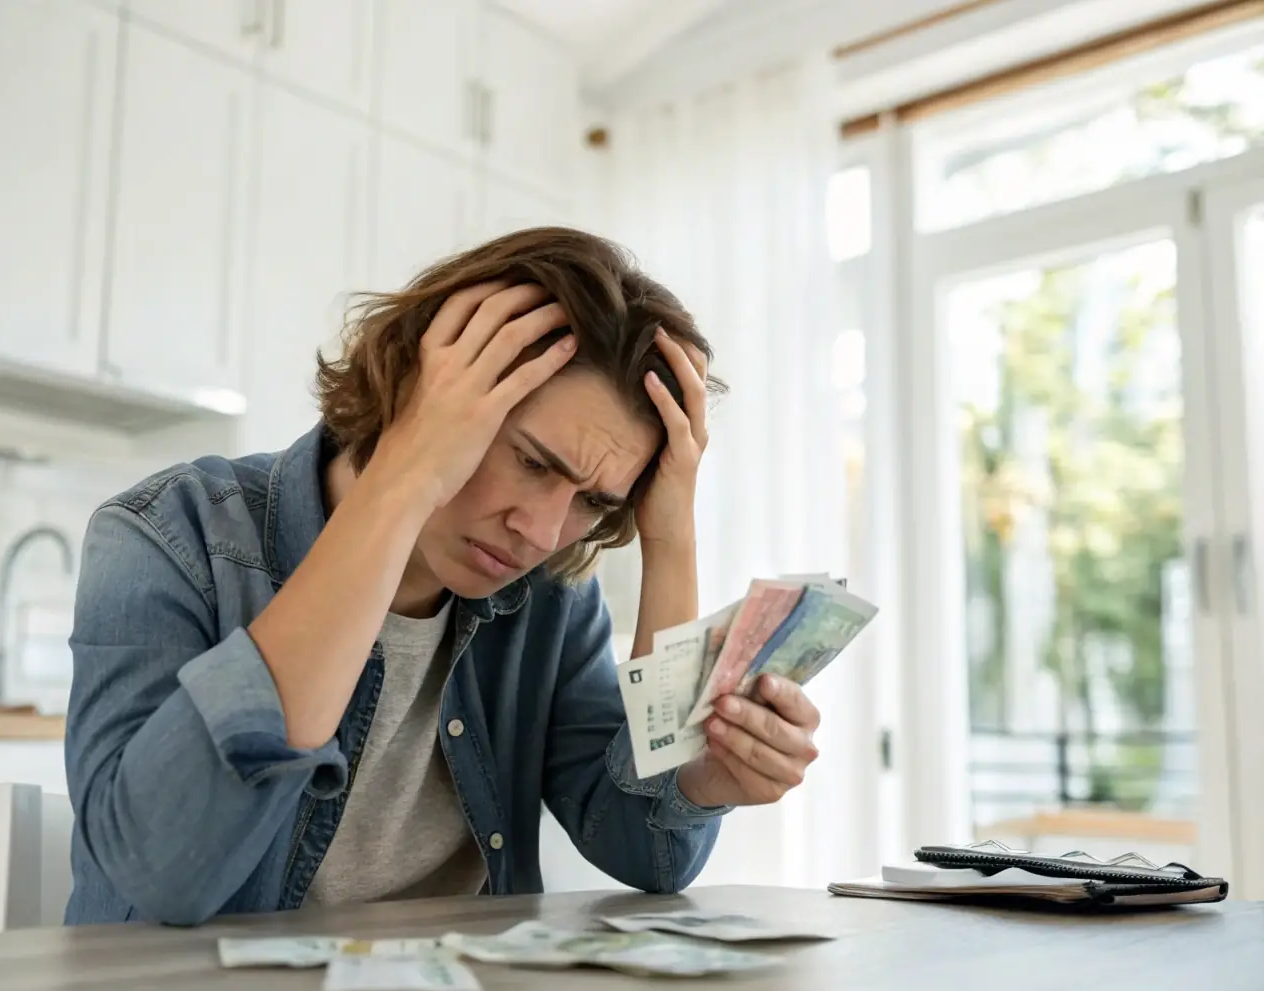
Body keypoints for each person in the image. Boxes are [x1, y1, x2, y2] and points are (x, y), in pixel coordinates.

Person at [62, 227, 822, 926]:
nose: (541, 532)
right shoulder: (173, 537)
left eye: (593, 501)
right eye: (531, 462)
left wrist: (670, 537)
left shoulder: (551, 600)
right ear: (422, 392)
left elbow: (650, 854)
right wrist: (405, 478)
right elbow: (163, 876)